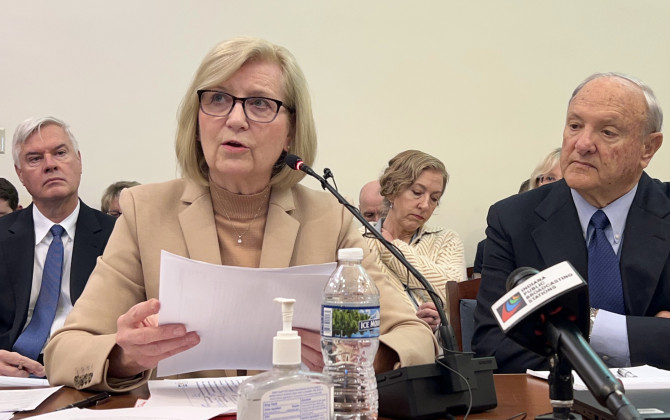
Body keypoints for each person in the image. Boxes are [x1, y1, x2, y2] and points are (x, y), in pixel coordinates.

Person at [45, 37, 437, 391]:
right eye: (217, 99)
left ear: (290, 131)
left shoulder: (328, 218)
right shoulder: (144, 212)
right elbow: (64, 352)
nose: (234, 119)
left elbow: (414, 336)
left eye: (260, 103)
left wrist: (360, 354)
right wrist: (125, 355)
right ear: (196, 122)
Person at [472, 72, 670, 373]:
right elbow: (493, 346)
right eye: (575, 125)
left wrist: (579, 328)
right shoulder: (514, 219)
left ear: (648, 148)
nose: (582, 143)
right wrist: (640, 335)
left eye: (607, 132)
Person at [0, 117, 115, 378]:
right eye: (35, 158)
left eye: (60, 153)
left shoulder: (117, 236)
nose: (50, 165)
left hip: (91, 372)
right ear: (20, 174)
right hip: (11, 375)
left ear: (79, 161)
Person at [360, 150, 465, 332]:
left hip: (437, 353)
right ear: (391, 192)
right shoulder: (359, 240)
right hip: (380, 349)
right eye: (417, 192)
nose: (425, 205)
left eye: (434, 199)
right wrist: (411, 321)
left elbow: (451, 293)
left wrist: (392, 248)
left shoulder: (446, 239)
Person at [475, 148, 563, 277]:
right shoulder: (508, 227)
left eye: (565, 179)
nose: (558, 186)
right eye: (550, 178)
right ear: (537, 183)